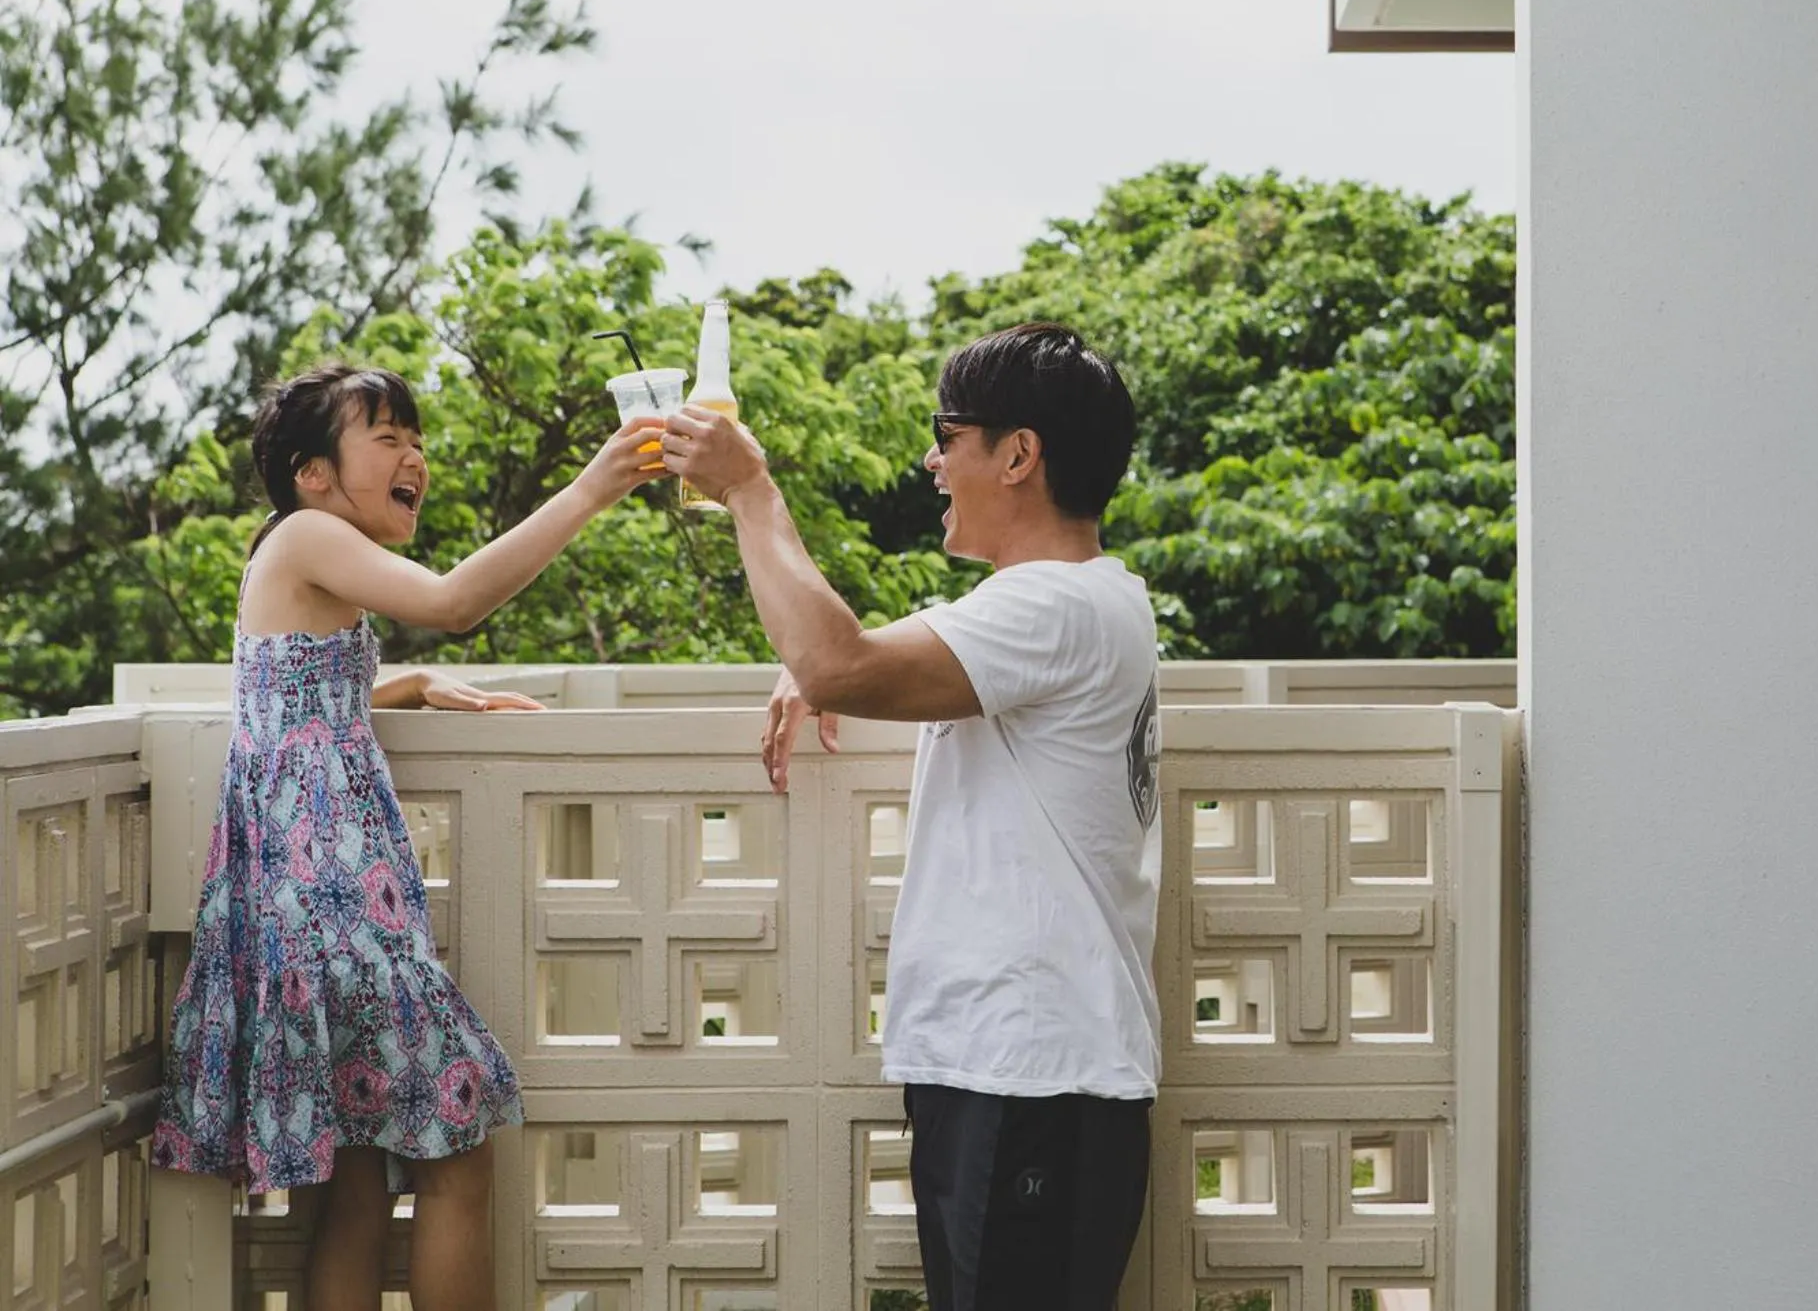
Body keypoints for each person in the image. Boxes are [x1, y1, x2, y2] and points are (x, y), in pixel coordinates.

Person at [662, 322, 1162, 1311]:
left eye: (949, 433)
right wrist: (815, 664)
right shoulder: (1089, 602)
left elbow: (841, 660)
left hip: (1031, 1076)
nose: (933, 460)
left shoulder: (1054, 607)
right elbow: (851, 656)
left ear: (1019, 454)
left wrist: (751, 490)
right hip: (1029, 1071)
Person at [151, 363, 663, 1311]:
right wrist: (596, 483)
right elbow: (455, 601)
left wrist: (405, 686)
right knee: (457, 1146)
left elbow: (275, 694)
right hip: (332, 895)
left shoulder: (296, 547)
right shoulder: (309, 533)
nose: (414, 456)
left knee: (352, 1185)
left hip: (303, 895)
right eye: (386, 438)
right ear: (313, 473)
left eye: (415, 439)